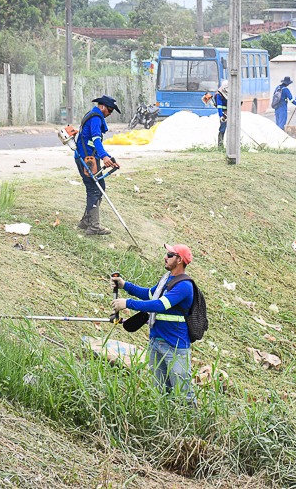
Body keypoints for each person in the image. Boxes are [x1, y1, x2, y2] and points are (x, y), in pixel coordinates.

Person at [111, 244, 196, 401]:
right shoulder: (166, 279)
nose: (165, 257)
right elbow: (150, 294)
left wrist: (128, 303)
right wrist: (125, 285)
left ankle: (191, 423)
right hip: (156, 342)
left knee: (184, 394)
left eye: (169, 255)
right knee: (161, 391)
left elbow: (160, 305)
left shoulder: (185, 286)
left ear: (179, 260)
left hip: (175, 347)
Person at [75, 95, 121, 236]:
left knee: (100, 186)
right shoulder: (95, 117)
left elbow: (94, 143)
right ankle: (94, 226)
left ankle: (86, 221)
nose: (109, 113)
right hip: (87, 159)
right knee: (94, 190)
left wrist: (109, 158)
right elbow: (95, 139)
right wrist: (104, 156)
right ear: (102, 106)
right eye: (109, 110)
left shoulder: (93, 115)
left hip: (90, 157)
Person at [215, 80, 229, 148]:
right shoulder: (219, 94)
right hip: (223, 113)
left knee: (232, 129)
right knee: (222, 129)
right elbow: (219, 106)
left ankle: (231, 146)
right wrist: (221, 116)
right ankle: (220, 145)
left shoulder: (230, 92)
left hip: (230, 112)